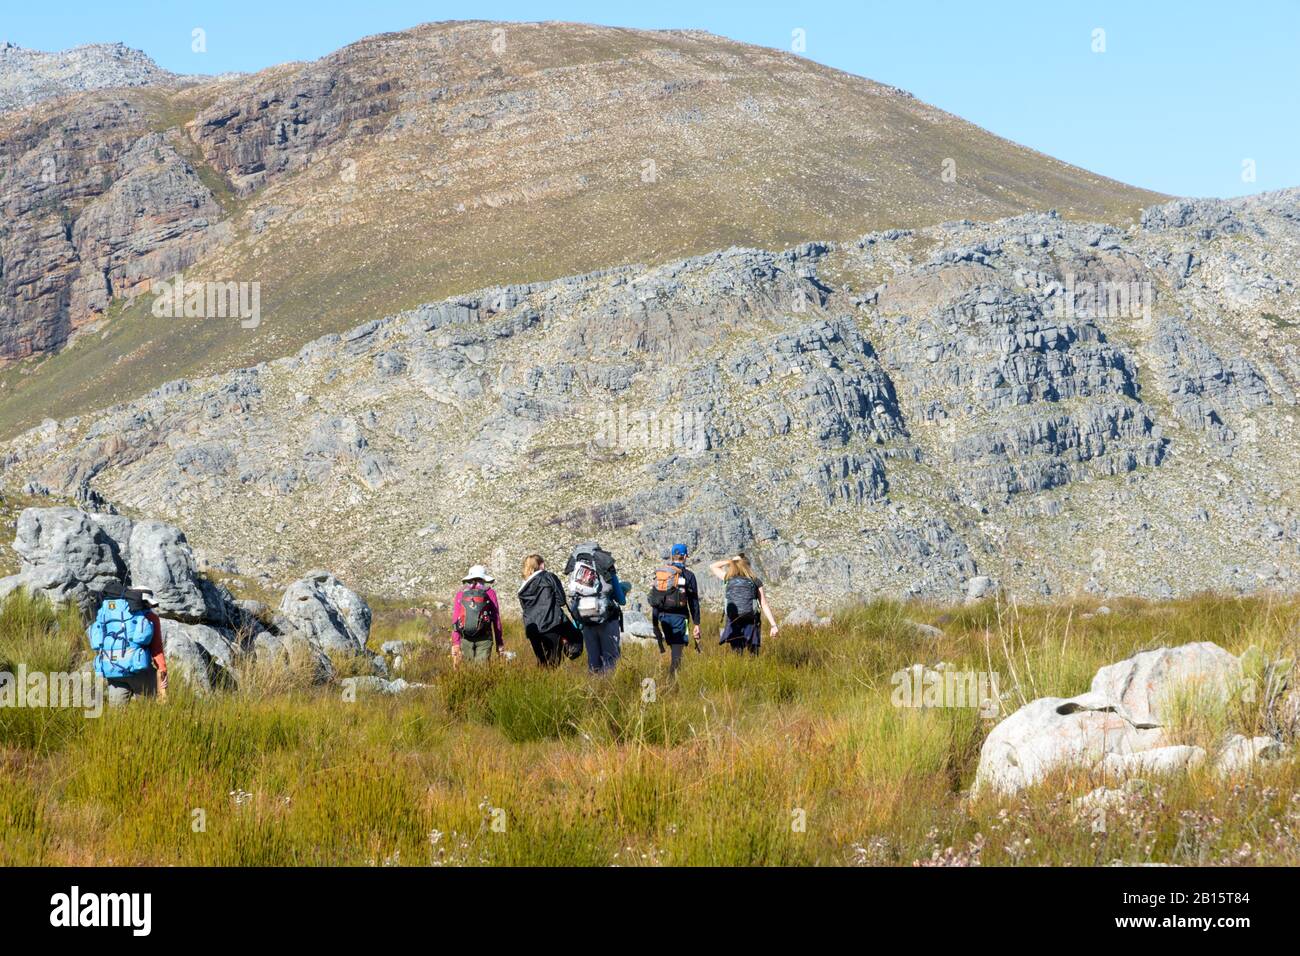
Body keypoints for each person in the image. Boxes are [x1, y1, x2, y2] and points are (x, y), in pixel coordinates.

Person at [89, 585, 166, 706]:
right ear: (144, 601)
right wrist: (162, 670)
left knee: (116, 715)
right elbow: (156, 649)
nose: (151, 607)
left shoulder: (110, 614)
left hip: (114, 670)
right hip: (139, 670)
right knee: (148, 712)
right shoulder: (150, 617)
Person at [563, 541, 625, 674]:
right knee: (610, 659)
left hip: (585, 619)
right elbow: (621, 599)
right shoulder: (604, 563)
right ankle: (609, 691)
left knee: (593, 661)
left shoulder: (575, 565)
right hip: (607, 617)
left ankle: (594, 688)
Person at [517, 554, 581, 666]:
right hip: (551, 623)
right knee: (554, 660)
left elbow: (525, 607)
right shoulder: (548, 577)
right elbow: (561, 600)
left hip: (532, 628)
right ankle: (569, 650)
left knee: (542, 663)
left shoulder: (523, 587)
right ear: (541, 564)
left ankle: (543, 681)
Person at [648, 543, 701, 678]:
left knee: (672, 650)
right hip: (679, 617)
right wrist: (696, 624)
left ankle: (670, 678)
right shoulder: (688, 575)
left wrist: (655, 624)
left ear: (672, 556)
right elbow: (693, 601)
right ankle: (672, 682)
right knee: (677, 654)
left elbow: (656, 601)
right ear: (685, 556)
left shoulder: (662, 575)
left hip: (662, 617)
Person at [708, 554, 778, 655]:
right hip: (751, 620)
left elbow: (713, 566)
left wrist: (730, 561)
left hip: (733, 620)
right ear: (747, 565)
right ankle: (753, 668)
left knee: (736, 652)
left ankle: (739, 668)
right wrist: (773, 625)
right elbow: (764, 604)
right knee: (753, 653)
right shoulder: (755, 581)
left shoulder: (728, 578)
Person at [451, 565, 503, 664]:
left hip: (465, 637)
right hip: (485, 637)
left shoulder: (461, 594)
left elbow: (455, 619)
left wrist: (456, 643)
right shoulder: (490, 593)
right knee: (482, 670)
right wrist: (499, 642)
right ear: (483, 578)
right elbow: (496, 619)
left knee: (468, 670)